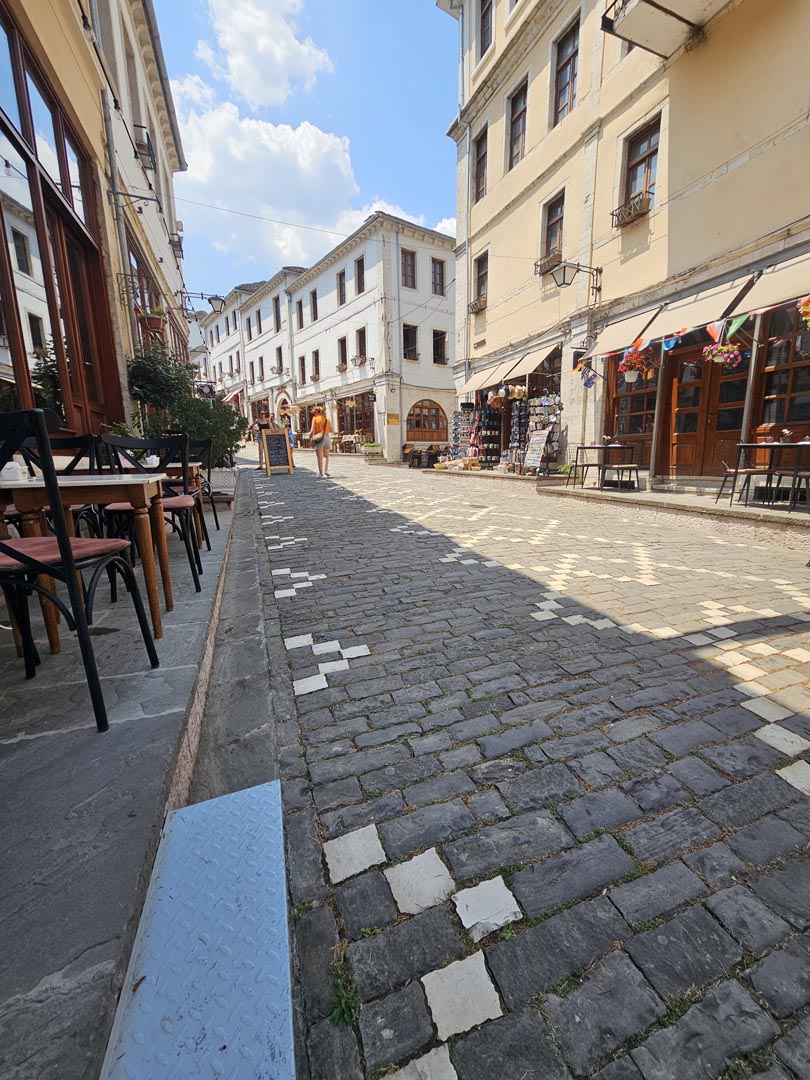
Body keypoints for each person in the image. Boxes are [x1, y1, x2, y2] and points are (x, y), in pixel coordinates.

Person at [309, 404, 332, 477]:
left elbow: (312, 430)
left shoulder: (315, 419)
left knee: (319, 457)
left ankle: (321, 473)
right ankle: (326, 470)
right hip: (327, 437)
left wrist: (310, 438)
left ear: (317, 412)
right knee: (326, 456)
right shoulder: (327, 420)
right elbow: (331, 430)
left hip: (319, 438)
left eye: (314, 412)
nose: (314, 414)